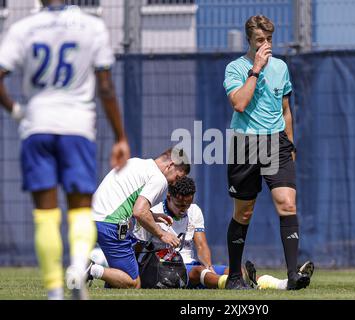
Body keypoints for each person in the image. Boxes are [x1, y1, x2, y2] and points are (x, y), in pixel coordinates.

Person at [0, 1, 130, 300]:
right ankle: (76, 271)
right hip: (77, 128)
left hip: (38, 126)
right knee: (80, 210)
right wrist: (120, 136)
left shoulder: (23, 28)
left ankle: (54, 290)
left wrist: (18, 111)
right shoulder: (92, 26)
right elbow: (106, 88)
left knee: (45, 215)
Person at [222, 15, 312, 290]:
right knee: (244, 212)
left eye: (269, 39)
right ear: (249, 40)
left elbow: (286, 110)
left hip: (277, 143)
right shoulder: (235, 68)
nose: (266, 45)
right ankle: (235, 278)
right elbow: (239, 103)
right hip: (244, 144)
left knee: (287, 203)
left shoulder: (281, 68)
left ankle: (293, 275)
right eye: (260, 40)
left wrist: (291, 144)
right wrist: (256, 69)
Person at [129, 176, 314, 290]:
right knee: (198, 272)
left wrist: (208, 265)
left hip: (192, 266)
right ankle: (230, 285)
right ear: (168, 197)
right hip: (166, 271)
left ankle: (283, 284)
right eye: (179, 205)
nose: (184, 209)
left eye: (187, 204)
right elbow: (138, 249)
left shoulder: (194, 211)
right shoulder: (150, 212)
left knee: (234, 270)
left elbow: (201, 245)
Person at [87, 148, 190, 289]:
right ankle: (90, 269)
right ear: (171, 165)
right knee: (133, 282)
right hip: (110, 224)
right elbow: (139, 212)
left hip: (90, 218)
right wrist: (163, 234)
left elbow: (124, 200)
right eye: (177, 177)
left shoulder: (134, 162)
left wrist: (152, 216)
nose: (174, 183)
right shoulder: (159, 178)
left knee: (119, 276)